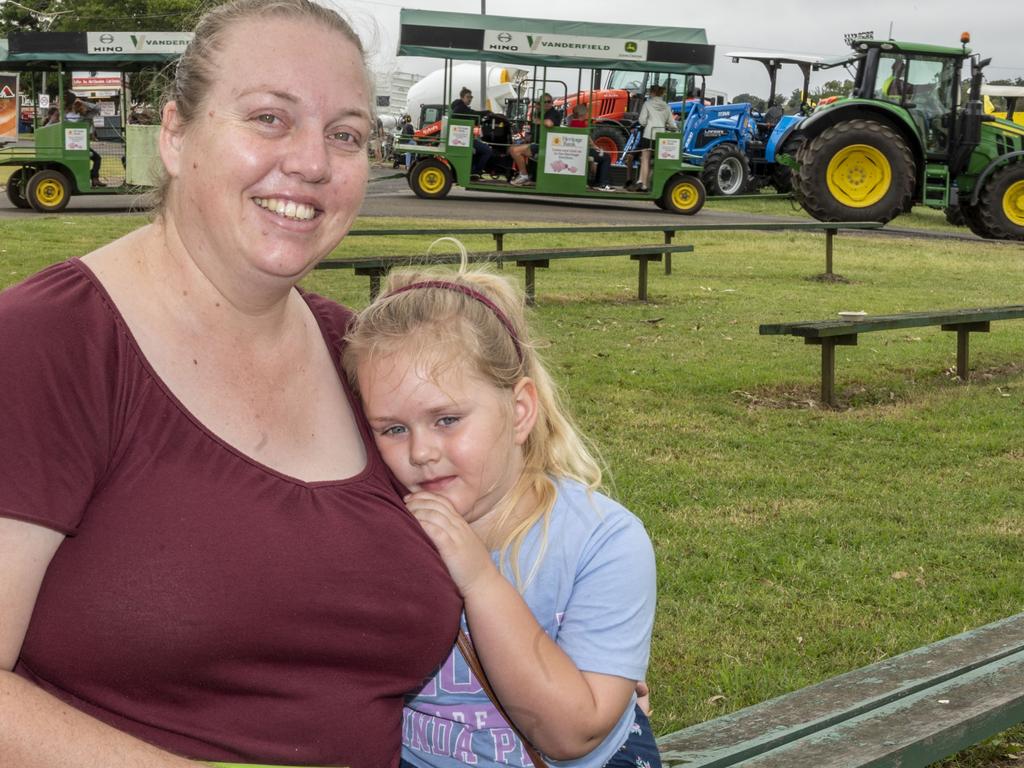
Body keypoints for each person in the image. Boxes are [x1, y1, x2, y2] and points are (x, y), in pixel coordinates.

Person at [0, 2, 461, 767]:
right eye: (270, 118)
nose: (312, 162)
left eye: (345, 134)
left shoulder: (362, 355)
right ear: (176, 134)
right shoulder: (49, 344)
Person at [342, 267, 660, 768]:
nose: (421, 452)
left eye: (447, 419)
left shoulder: (603, 542)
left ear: (518, 412)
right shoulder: (374, 529)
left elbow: (572, 735)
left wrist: (479, 579)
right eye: (393, 428)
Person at [509, 93, 562, 186]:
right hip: (539, 143)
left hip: (548, 145)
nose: (547, 104)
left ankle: (523, 175)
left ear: (552, 102)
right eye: (544, 102)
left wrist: (539, 121)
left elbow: (549, 124)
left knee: (515, 150)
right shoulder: (541, 113)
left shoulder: (554, 113)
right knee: (511, 148)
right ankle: (525, 174)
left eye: (549, 101)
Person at [635, 84, 677, 193]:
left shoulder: (647, 104)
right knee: (658, 162)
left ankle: (644, 185)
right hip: (661, 136)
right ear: (662, 94)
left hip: (648, 134)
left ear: (653, 93)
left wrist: (647, 123)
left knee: (645, 160)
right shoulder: (667, 106)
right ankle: (651, 183)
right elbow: (672, 124)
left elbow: (642, 120)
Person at [450, 86, 494, 180]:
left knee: (480, 150)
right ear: (462, 97)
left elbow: (472, 118)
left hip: (464, 138)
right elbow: (473, 113)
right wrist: (488, 112)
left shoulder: (461, 107)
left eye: (471, 97)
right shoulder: (460, 107)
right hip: (463, 138)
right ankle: (476, 172)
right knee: (487, 151)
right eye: (468, 97)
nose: (470, 99)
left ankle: (474, 170)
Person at [568, 103, 614, 191]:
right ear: (583, 114)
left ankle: (599, 182)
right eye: (586, 113)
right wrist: (597, 148)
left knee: (602, 157)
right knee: (606, 157)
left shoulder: (572, 123)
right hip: (583, 151)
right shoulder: (582, 125)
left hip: (576, 150)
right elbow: (589, 141)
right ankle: (602, 183)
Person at [66, 98, 106, 186]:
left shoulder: (86, 115)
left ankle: (94, 178)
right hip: (79, 146)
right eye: (84, 108)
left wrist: (83, 102)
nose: (86, 109)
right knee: (96, 158)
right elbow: (97, 108)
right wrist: (82, 103)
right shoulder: (81, 118)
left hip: (81, 145)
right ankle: (93, 177)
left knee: (96, 158)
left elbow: (98, 108)